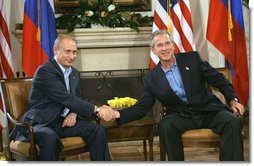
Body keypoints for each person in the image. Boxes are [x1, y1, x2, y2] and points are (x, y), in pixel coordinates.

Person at [109, 30, 245, 161]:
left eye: (167, 43)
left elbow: (220, 81)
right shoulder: (151, 78)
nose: (165, 48)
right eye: (159, 45)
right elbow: (142, 107)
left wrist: (233, 100)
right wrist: (118, 115)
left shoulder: (192, 59)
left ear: (173, 46)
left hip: (208, 111)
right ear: (153, 50)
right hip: (180, 116)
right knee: (166, 126)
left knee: (231, 121)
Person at [10, 35, 115, 161]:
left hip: (63, 123)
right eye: (67, 51)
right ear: (56, 51)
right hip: (41, 123)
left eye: (74, 52)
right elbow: (65, 98)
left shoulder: (74, 73)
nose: (72, 56)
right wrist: (97, 110)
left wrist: (74, 113)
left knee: (98, 130)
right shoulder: (45, 71)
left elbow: (77, 99)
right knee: (50, 138)